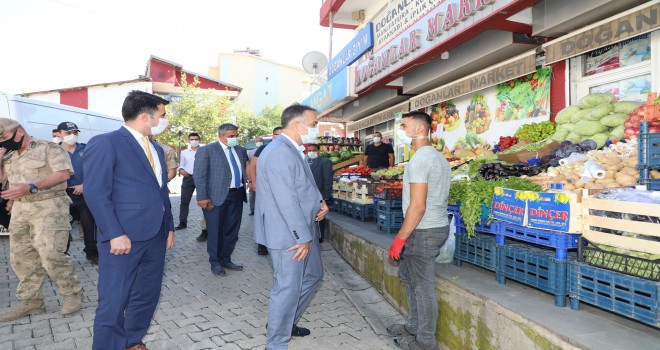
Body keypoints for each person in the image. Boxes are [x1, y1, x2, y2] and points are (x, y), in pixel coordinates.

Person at [83, 90, 175, 350]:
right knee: (114, 302)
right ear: (146, 116)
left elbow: (162, 192)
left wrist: (168, 228)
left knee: (146, 296)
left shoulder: (155, 147)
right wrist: (113, 233)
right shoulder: (107, 142)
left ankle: (132, 341)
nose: (163, 120)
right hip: (122, 237)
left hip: (155, 236)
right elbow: (96, 192)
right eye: (161, 115)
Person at [254, 104, 329, 349]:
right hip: (290, 234)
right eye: (314, 123)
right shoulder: (278, 152)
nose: (316, 128)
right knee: (287, 287)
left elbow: (303, 184)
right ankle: (275, 342)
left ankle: (286, 322)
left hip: (304, 228)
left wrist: (320, 202)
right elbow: (285, 199)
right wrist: (301, 237)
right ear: (298, 124)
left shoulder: (291, 149)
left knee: (313, 276)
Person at [0, 118, 82, 322]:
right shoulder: (9, 155)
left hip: (50, 205)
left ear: (19, 132)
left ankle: (72, 293)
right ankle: (32, 302)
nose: (2, 141)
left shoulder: (48, 148)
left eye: (4, 137)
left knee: (51, 254)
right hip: (21, 209)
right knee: (21, 256)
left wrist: (32, 186)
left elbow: (63, 174)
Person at [386, 111, 451, 350]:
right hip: (431, 227)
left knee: (422, 286)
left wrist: (399, 240)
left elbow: (417, 205)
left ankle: (425, 341)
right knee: (408, 277)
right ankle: (413, 325)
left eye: (405, 126)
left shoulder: (421, 159)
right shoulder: (437, 157)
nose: (402, 131)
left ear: (420, 130)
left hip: (423, 230)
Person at [194, 123, 249, 276]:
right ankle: (215, 262)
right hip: (215, 198)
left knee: (232, 230)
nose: (235, 139)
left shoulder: (240, 150)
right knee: (215, 231)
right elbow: (200, 175)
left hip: (237, 194)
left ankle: (226, 259)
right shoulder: (207, 150)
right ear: (220, 136)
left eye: (236, 136)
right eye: (231, 136)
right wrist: (202, 197)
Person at [57, 121, 98, 265]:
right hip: (62, 194)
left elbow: (96, 170)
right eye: (68, 133)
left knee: (89, 225)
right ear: (59, 133)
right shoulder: (54, 151)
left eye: (74, 133)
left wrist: (85, 185)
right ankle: (63, 256)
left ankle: (92, 253)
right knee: (62, 227)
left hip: (84, 193)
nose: (72, 136)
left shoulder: (86, 149)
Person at [248, 126, 282, 255]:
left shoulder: (288, 148)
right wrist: (253, 182)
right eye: (278, 134)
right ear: (273, 136)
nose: (281, 136)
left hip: (280, 188)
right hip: (264, 187)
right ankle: (262, 243)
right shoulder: (264, 148)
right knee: (263, 214)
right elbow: (253, 166)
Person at [306, 143, 333, 243]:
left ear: (318, 151)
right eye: (309, 150)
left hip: (319, 193)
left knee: (319, 215)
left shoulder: (325, 162)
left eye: (314, 150)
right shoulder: (306, 162)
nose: (311, 152)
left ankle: (320, 236)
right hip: (307, 193)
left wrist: (326, 194)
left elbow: (327, 178)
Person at [176, 132, 201, 231]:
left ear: (199, 140)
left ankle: (207, 226)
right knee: (184, 202)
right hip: (188, 179)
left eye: (196, 139)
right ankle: (182, 223)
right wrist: (181, 170)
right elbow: (181, 165)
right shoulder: (184, 152)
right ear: (189, 140)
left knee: (204, 201)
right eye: (192, 139)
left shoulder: (204, 151)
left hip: (201, 179)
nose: (194, 141)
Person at [247, 135, 264, 216]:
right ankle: (252, 209)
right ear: (254, 143)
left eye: (260, 141)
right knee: (252, 194)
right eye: (257, 141)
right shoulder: (251, 153)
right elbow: (249, 166)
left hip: (263, 176)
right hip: (254, 175)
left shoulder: (266, 150)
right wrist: (250, 180)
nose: (259, 143)